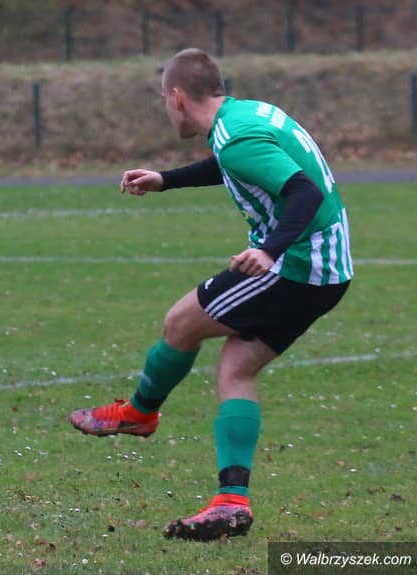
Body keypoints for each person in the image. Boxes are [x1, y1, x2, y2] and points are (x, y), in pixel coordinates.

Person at [69, 48, 352, 541]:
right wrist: (166, 180)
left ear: (177, 97)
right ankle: (231, 503)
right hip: (327, 269)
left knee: (181, 322)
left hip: (296, 266)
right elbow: (238, 166)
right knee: (235, 370)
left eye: (164, 99)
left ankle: (139, 414)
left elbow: (303, 192)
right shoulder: (245, 117)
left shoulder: (236, 137)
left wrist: (268, 250)